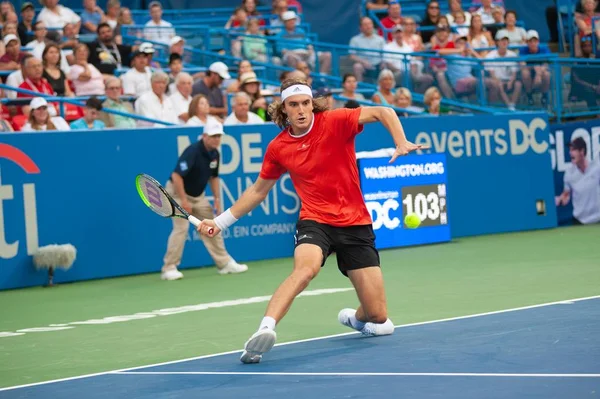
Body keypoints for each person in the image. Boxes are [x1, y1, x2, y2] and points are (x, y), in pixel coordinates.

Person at [196, 78, 426, 364]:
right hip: (315, 219)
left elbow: (384, 112)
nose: (302, 110)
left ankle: (355, 319)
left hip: (355, 222)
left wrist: (400, 141)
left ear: (312, 104)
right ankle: (264, 330)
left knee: (378, 317)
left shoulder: (336, 121)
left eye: (306, 103)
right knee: (306, 269)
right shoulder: (279, 148)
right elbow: (257, 191)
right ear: (284, 110)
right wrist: (219, 222)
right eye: (294, 105)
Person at [161, 120, 249, 281]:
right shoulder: (193, 151)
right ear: (205, 136)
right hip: (177, 193)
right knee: (181, 229)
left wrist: (216, 199)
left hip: (197, 196)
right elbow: (176, 176)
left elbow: (214, 177)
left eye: (219, 136)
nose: (216, 139)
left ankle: (224, 264)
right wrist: (184, 201)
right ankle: (169, 267)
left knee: (213, 226)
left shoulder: (215, 153)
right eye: (213, 136)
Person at [555, 137, 600, 225]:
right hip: (579, 222)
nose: (570, 153)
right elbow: (566, 195)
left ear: (582, 152)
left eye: (573, 150)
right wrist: (561, 199)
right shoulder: (569, 174)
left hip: (598, 220)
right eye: (570, 150)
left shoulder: (596, 168)